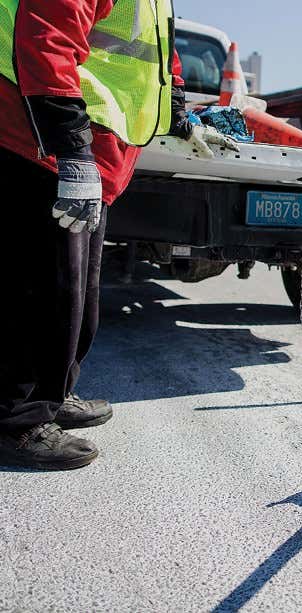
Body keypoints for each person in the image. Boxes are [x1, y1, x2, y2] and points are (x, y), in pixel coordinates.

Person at [0, 0, 236, 471]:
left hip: (95, 152)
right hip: (40, 142)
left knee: (75, 298)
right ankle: (14, 421)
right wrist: (71, 150)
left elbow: (161, 62)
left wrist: (181, 117)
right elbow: (46, 40)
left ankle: (52, 394)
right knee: (38, 292)